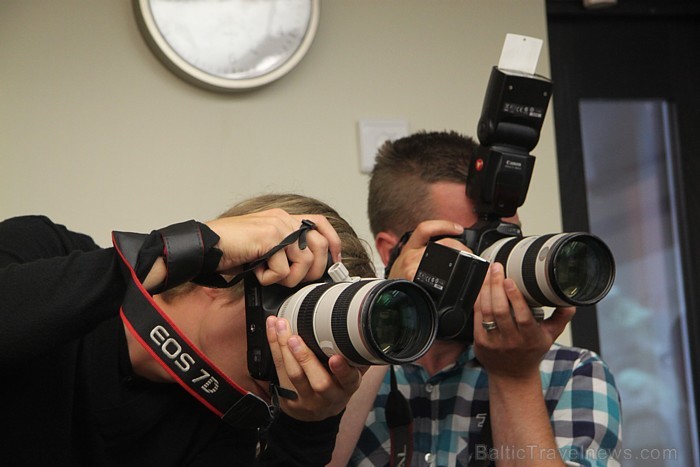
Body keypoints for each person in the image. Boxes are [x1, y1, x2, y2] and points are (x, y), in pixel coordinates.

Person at [0, 193, 376, 466]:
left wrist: (308, 429)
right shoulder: (43, 250)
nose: (308, 358)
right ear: (241, 268)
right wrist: (178, 251)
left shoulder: (227, 430)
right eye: (300, 315)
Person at [329, 131, 622, 466]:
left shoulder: (571, 373)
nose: (493, 264)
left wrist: (515, 377)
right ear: (393, 250)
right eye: (469, 242)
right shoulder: (339, 368)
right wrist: (385, 319)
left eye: (507, 239)